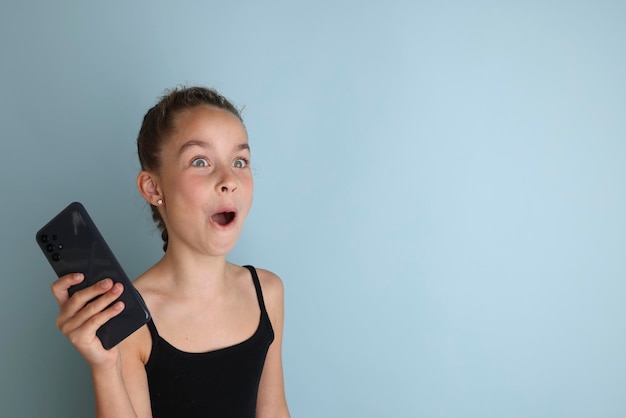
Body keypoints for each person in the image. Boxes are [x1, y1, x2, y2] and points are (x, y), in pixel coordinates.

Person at [50, 86, 290, 417]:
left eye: (239, 161)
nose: (228, 179)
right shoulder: (126, 318)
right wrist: (104, 367)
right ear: (154, 188)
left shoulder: (268, 292)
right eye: (200, 161)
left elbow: (274, 411)